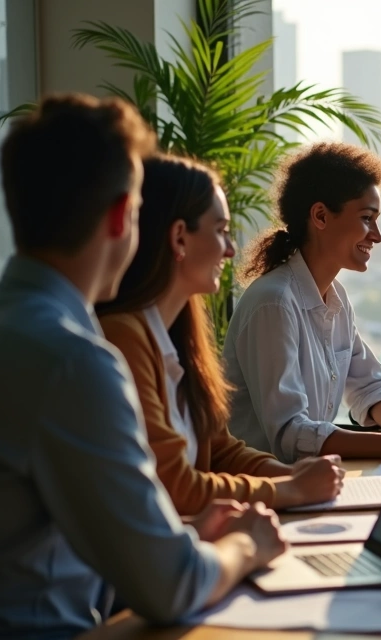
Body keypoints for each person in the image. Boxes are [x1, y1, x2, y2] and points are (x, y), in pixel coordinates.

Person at [0, 95, 285, 636]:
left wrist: (190, 535)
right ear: (118, 217)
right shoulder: (72, 360)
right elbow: (170, 587)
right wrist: (247, 544)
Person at [98, 154, 344, 515]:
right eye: (220, 231)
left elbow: (222, 451)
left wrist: (293, 475)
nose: (230, 249)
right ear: (180, 238)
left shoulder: (180, 334)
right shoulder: (123, 339)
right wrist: (289, 489)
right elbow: (175, 485)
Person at [225, 142, 381, 463]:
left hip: (313, 480)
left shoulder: (335, 297)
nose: (376, 236)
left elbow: (367, 384)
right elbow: (289, 433)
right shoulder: (274, 303)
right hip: (269, 490)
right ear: (320, 216)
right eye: (367, 218)